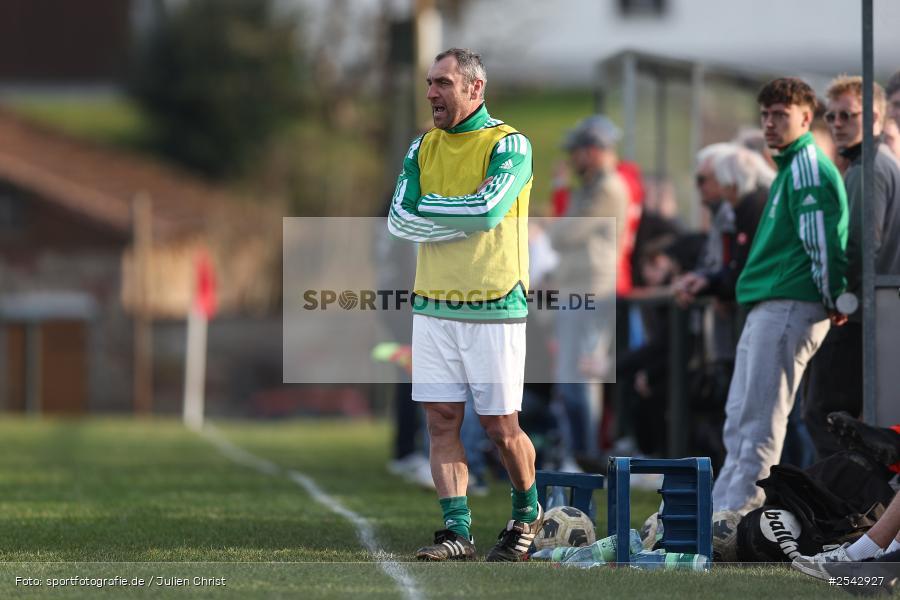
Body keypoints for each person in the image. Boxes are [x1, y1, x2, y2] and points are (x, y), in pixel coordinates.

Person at [387, 48, 541, 562]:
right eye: (430, 82)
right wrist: (458, 211)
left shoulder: (510, 144)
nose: (432, 92)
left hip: (494, 304)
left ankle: (526, 514)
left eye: (444, 83)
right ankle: (457, 533)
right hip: (432, 305)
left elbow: (490, 208)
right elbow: (398, 220)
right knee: (441, 421)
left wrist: (431, 207)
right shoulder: (422, 146)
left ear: (476, 89)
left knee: (500, 425)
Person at [711, 77, 849, 515]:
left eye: (781, 115)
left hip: (790, 304)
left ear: (807, 118)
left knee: (759, 421)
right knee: (741, 418)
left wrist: (833, 297)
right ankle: (720, 512)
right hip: (772, 303)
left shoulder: (807, 164)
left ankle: (738, 519)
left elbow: (822, 243)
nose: (770, 123)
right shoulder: (793, 166)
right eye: (766, 115)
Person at [804, 76, 900, 459]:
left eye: (848, 114)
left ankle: (847, 506)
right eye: (832, 115)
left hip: (859, 315)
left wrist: (838, 299)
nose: (838, 123)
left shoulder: (869, 167)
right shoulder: (874, 163)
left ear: (874, 116)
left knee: (825, 414)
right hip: (871, 312)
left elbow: (862, 245)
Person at [548, 115, 629, 463]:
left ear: (594, 151)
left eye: (578, 151)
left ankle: (587, 455)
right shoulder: (592, 186)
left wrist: (556, 228)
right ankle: (580, 453)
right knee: (572, 379)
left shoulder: (607, 188)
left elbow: (563, 234)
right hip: (577, 291)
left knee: (581, 379)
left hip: (591, 293)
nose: (573, 158)